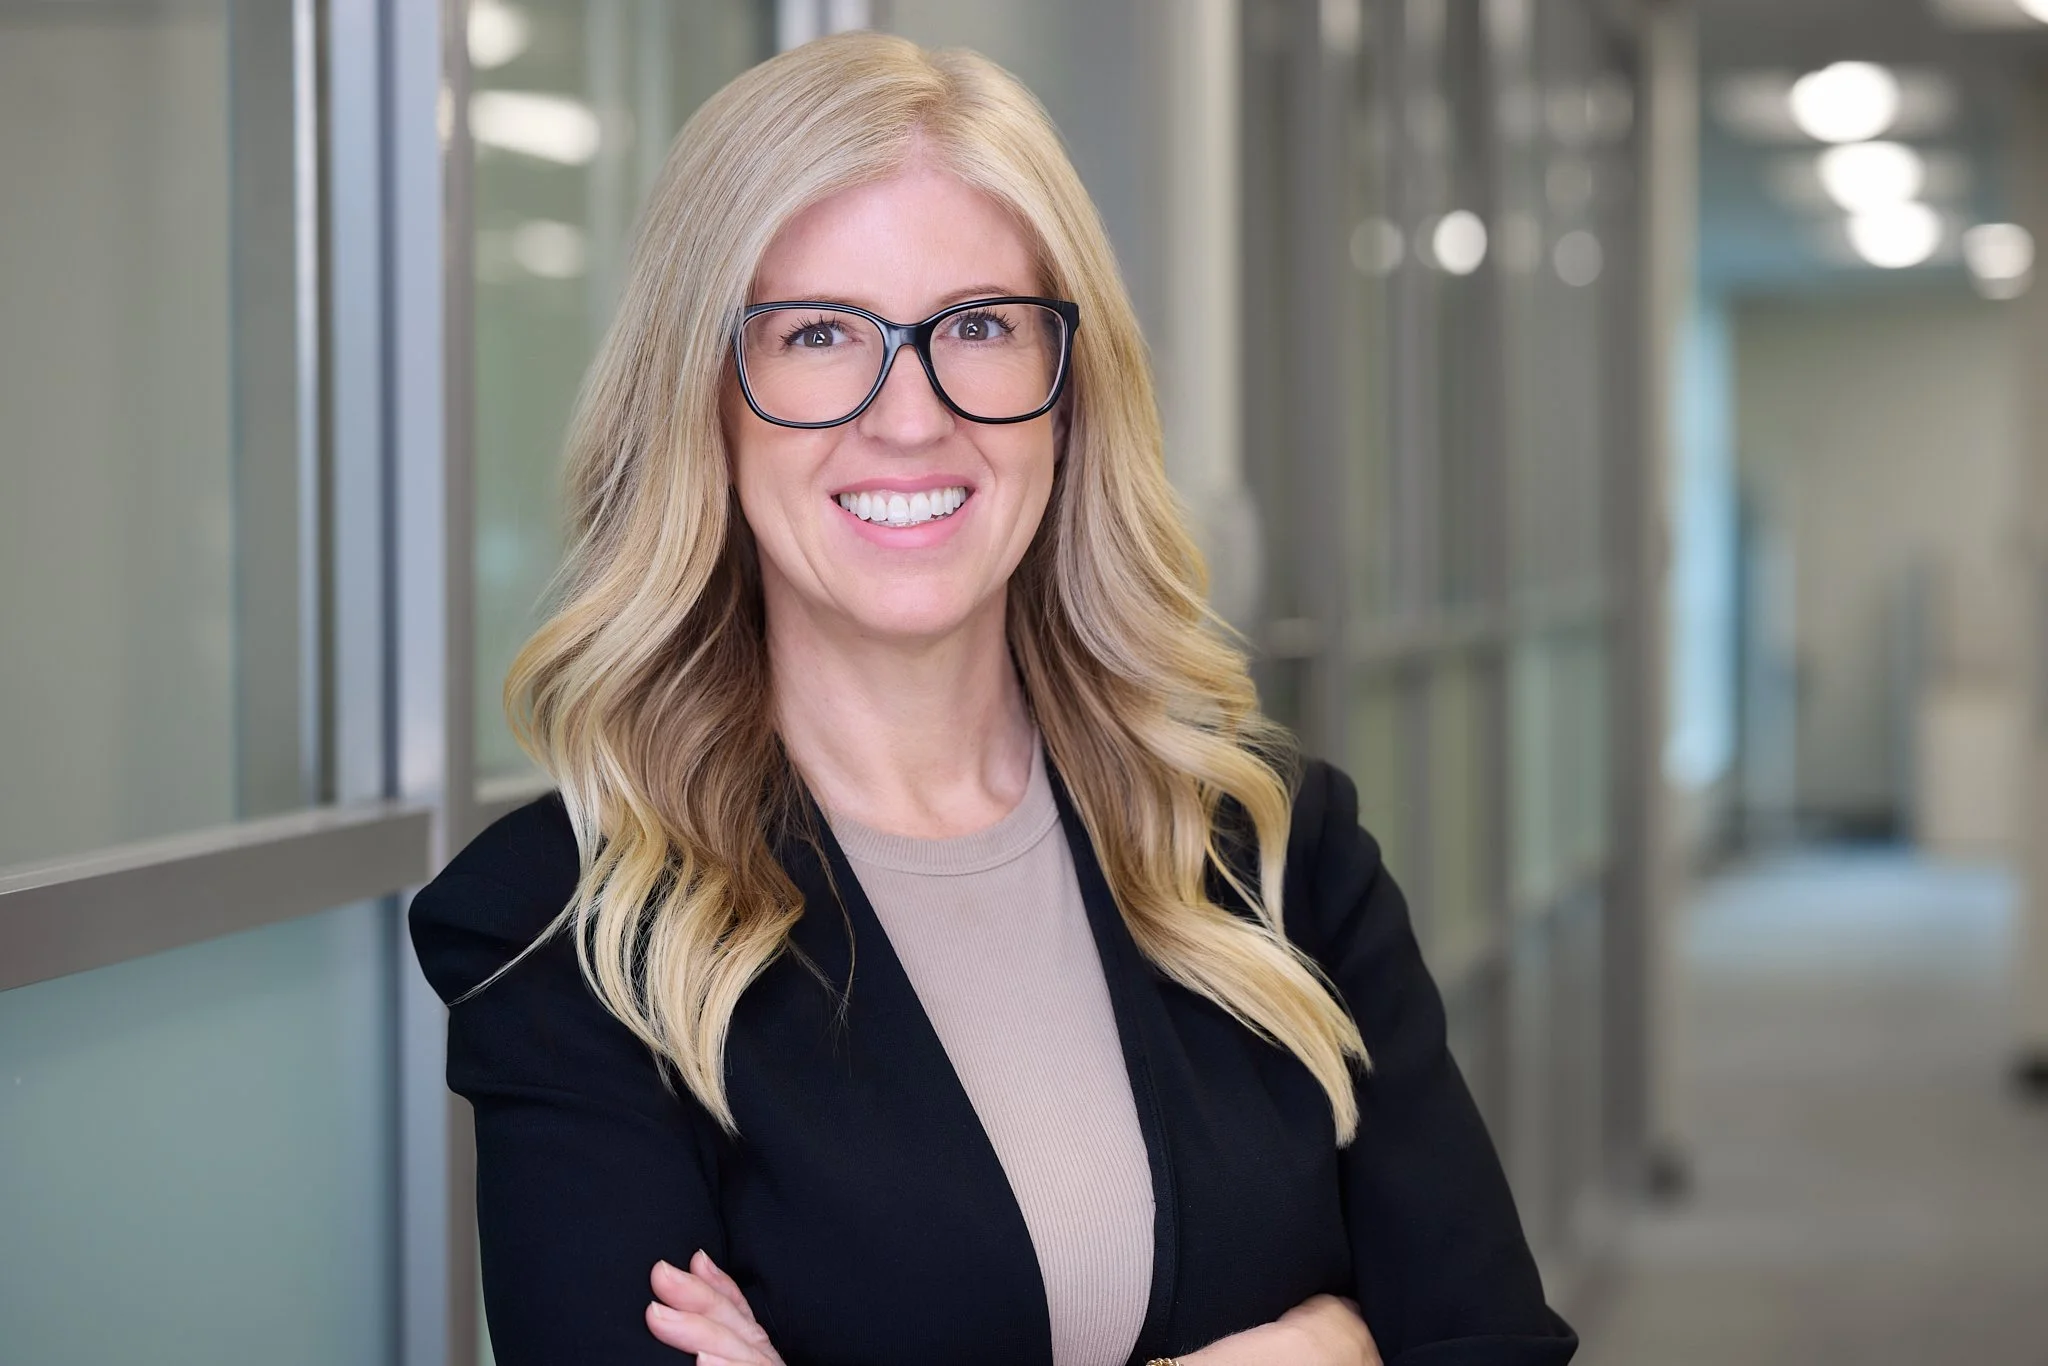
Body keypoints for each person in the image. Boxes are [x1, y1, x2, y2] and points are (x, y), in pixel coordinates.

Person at [408, 30, 1576, 1366]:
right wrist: (1318, 1351)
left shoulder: (1272, 847)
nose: (910, 417)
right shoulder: (569, 934)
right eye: (817, 335)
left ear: (1067, 390)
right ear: (702, 402)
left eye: (978, 326)